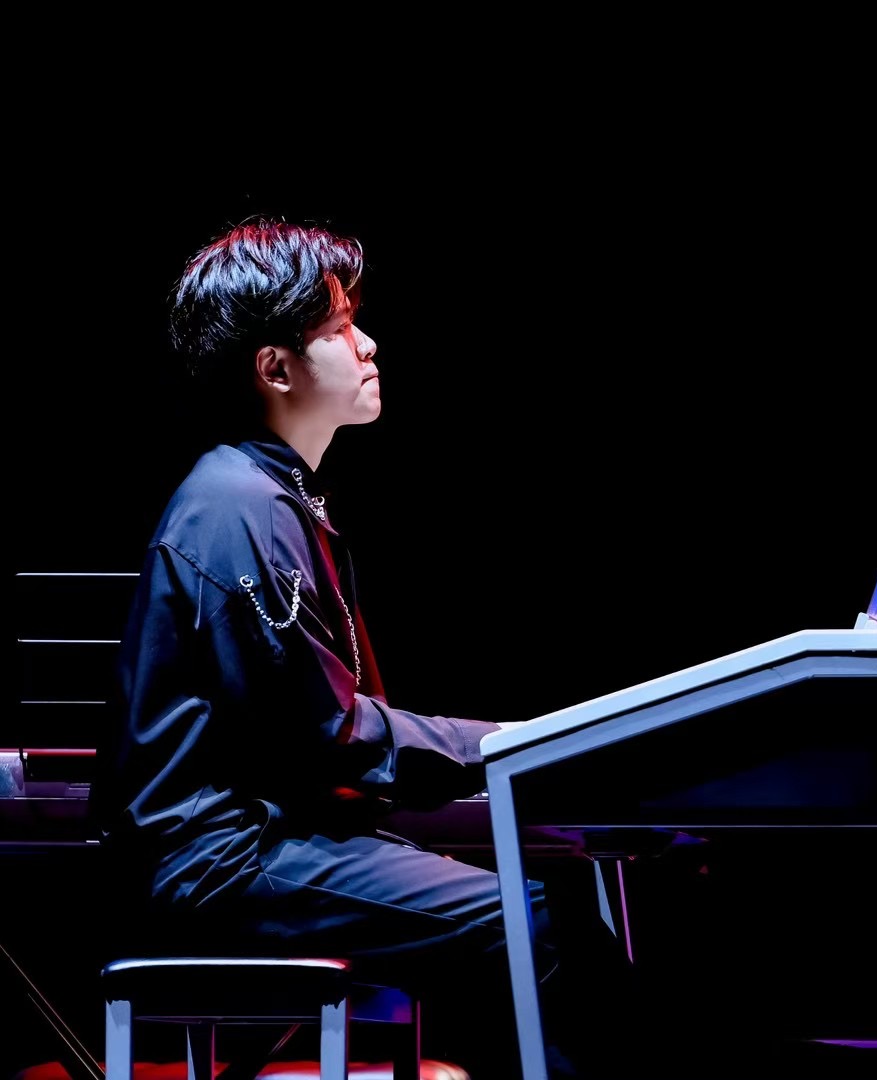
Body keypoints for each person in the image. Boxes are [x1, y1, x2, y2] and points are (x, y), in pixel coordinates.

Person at [95, 219, 625, 1078]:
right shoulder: (239, 506)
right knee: (539, 925)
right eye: (340, 327)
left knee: (554, 901)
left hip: (265, 845)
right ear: (276, 369)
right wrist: (518, 746)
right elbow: (329, 734)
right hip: (225, 864)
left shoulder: (269, 495)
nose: (368, 343)